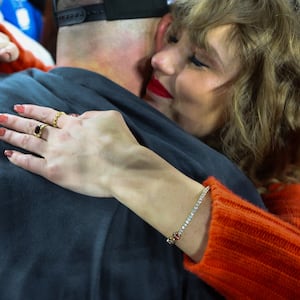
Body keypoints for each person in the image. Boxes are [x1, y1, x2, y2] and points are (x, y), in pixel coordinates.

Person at [0, 0, 299, 298]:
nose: (161, 60)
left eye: (198, 60)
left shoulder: (285, 191)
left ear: (254, 104)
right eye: (172, 38)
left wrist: (128, 170)